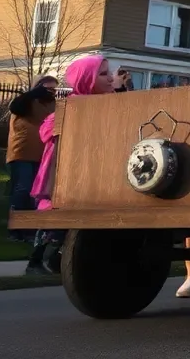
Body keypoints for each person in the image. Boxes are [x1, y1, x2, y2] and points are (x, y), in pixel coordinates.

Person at [26, 54, 115, 275]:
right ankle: (38, 260)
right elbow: (46, 130)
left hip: (96, 171)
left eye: (109, 73)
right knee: (56, 216)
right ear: (87, 79)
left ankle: (63, 258)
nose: (111, 79)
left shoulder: (111, 104)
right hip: (67, 171)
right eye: (103, 74)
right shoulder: (73, 105)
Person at [6, 75, 58, 228]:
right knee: (23, 187)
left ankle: (28, 227)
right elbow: (14, 107)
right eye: (48, 89)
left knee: (35, 192)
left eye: (54, 89)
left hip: (42, 154)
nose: (51, 93)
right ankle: (16, 227)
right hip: (22, 152)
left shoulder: (53, 105)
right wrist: (33, 93)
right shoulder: (25, 102)